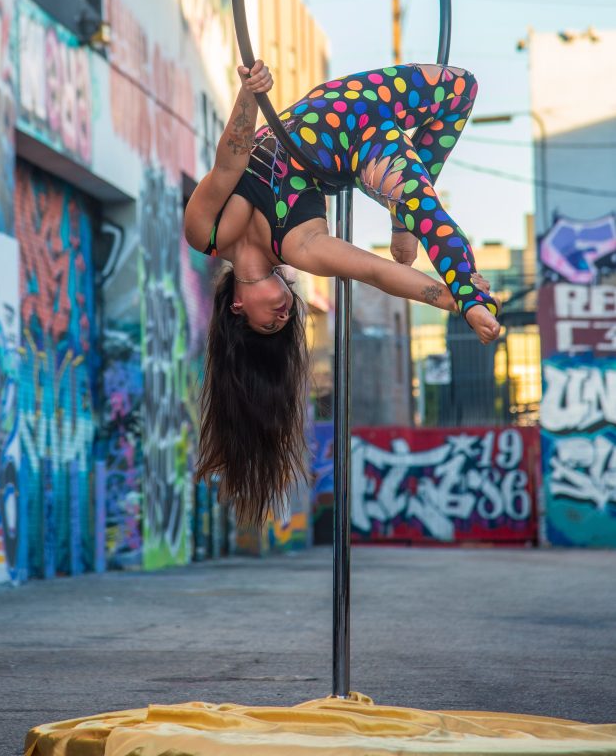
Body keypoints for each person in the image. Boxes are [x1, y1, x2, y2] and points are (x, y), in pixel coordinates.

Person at [184, 60, 500, 524]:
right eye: (285, 325)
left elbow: (230, 161)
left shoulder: (205, 232)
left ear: (236, 307)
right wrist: (453, 297)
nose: (283, 317)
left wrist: (249, 93)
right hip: (361, 148)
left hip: (333, 105)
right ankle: (441, 255)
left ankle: (402, 220)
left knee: (461, 88)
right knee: (427, 212)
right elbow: (374, 271)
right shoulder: (299, 246)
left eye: (267, 325)